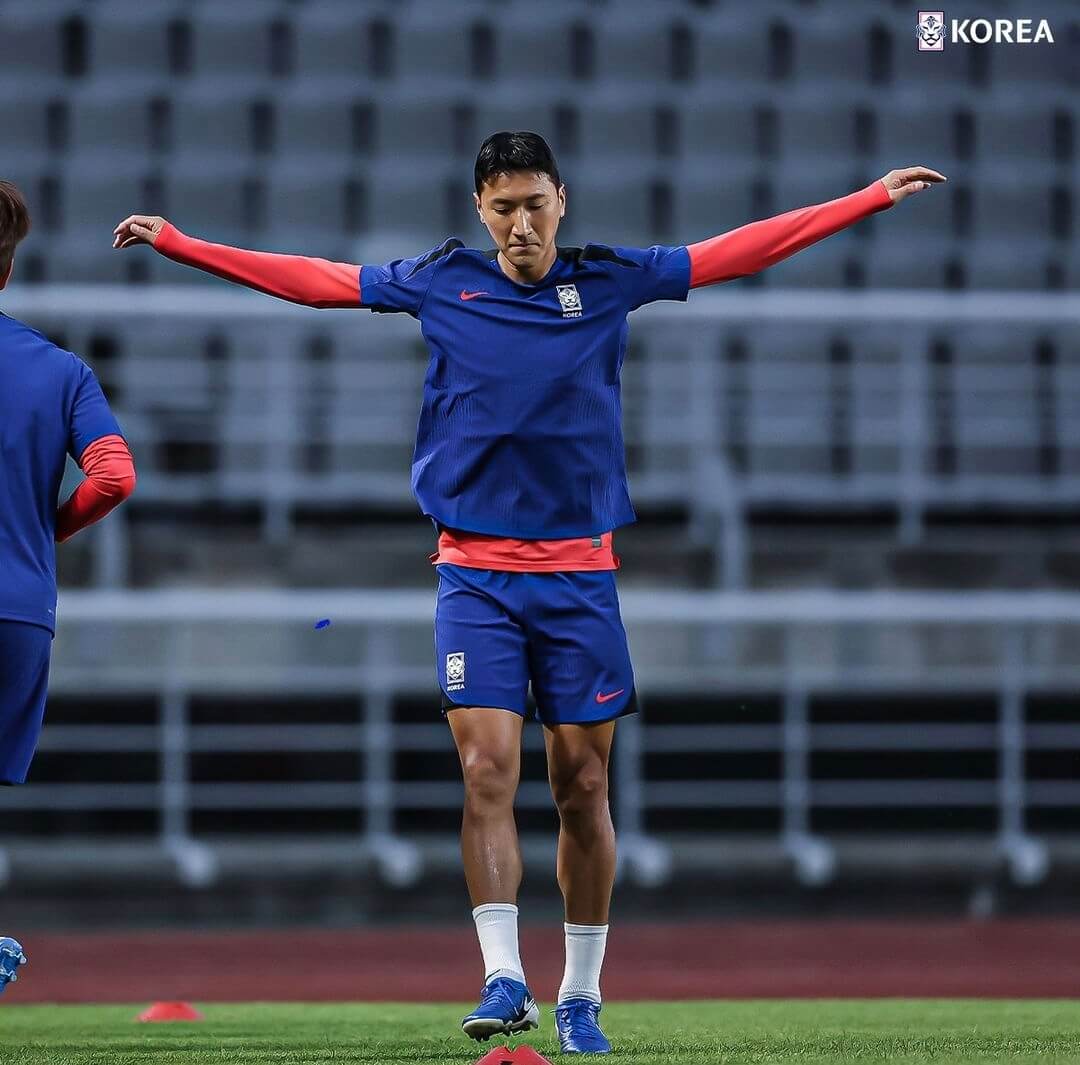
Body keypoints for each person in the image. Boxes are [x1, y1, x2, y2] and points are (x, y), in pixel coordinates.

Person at [113, 135, 944, 1054]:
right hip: (474, 573)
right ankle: (503, 976)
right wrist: (183, 243)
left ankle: (580, 993)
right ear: (480, 209)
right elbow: (317, 282)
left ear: (562, 201)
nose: (520, 224)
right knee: (485, 770)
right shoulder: (441, 282)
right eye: (503, 207)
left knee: (581, 784)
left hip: (579, 574)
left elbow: (738, 251)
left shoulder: (610, 280)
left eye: (535, 204)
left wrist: (868, 197)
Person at [0, 180, 136, 993]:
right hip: (19, 606)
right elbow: (115, 476)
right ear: (8, 268)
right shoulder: (60, 370)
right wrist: (40, 533)